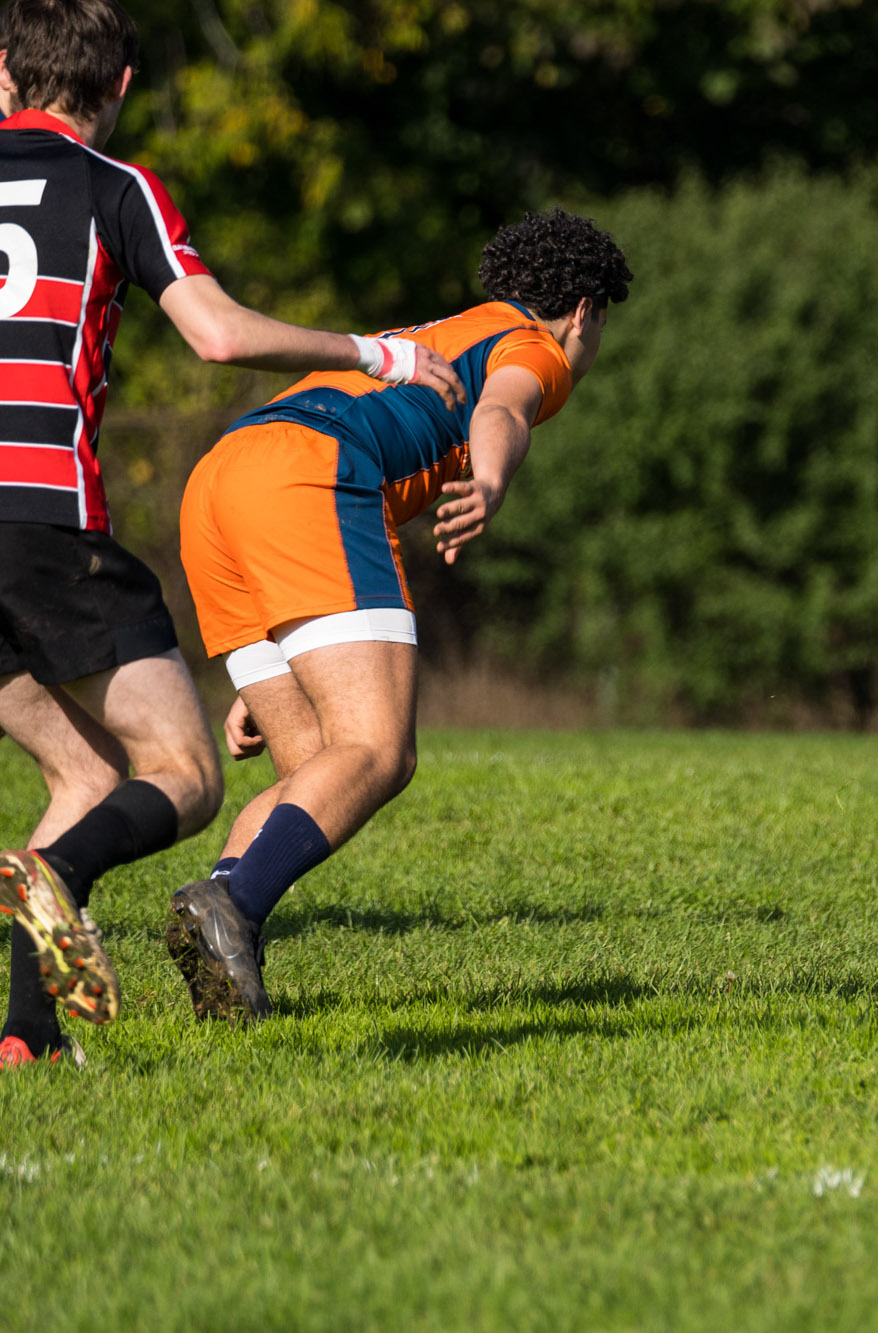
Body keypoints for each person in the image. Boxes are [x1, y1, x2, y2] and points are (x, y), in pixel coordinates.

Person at [0, 0, 463, 1065]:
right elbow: (211, 334)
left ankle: (26, 1037)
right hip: (41, 520)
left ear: (5, 76)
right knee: (184, 773)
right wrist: (371, 352)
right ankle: (57, 880)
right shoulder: (117, 188)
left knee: (82, 779)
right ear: (118, 87)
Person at [166, 208, 630, 1022]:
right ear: (585, 310)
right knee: (381, 751)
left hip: (219, 482)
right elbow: (503, 411)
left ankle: (223, 937)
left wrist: (284, 640)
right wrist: (487, 483)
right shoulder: (535, 346)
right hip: (308, 470)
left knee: (315, 765)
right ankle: (231, 903)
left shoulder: (438, 330)